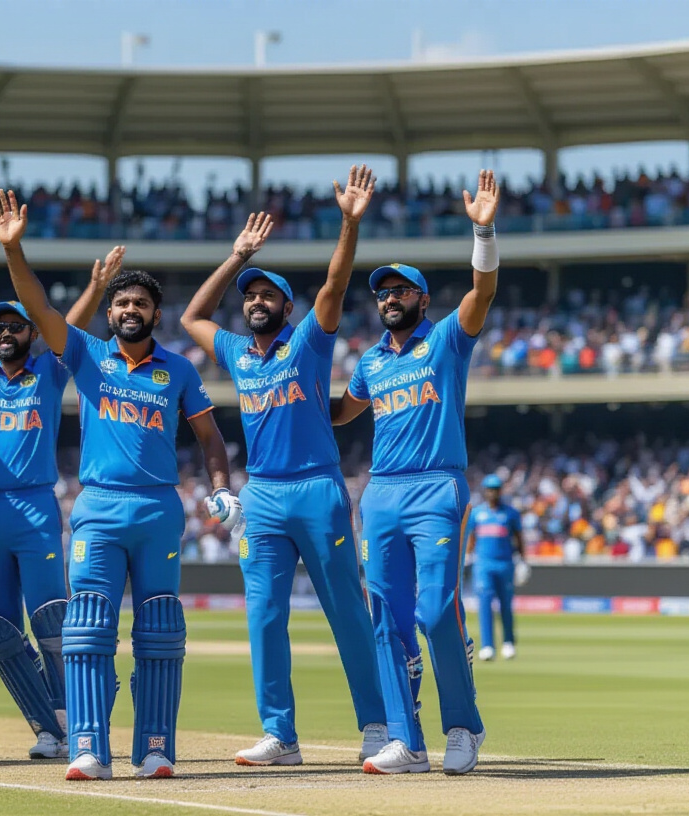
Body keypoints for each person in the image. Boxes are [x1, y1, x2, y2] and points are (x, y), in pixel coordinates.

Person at [0, 189, 238, 781]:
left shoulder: (177, 368)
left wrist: (221, 484)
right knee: (87, 625)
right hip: (98, 509)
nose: (130, 309)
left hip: (158, 511)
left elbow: (208, 437)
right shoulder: (86, 355)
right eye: (122, 301)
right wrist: (13, 249)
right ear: (110, 312)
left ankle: (155, 747)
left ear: (155, 313)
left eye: (141, 303)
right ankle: (88, 747)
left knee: (159, 629)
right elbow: (38, 307)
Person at [180, 165, 388, 768]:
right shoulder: (238, 353)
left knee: (346, 611)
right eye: (249, 296)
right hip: (263, 496)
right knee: (264, 616)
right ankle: (280, 735)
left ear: (287, 306)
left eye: (266, 294)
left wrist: (349, 224)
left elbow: (335, 284)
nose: (254, 302)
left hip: (316, 488)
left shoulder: (307, 342)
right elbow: (195, 317)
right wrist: (236, 255)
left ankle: (377, 724)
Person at [332, 170, 502, 776]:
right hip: (380, 494)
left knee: (435, 612)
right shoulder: (371, 362)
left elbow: (481, 293)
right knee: (385, 617)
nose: (391, 297)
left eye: (403, 290)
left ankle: (463, 727)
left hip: (436, 486)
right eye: (384, 292)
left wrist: (482, 230)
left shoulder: (447, 341)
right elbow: (336, 414)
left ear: (423, 301)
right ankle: (406, 740)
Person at [0, 223, 123, 759]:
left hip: (36, 507)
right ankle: (45, 726)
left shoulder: (47, 371)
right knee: (0, 634)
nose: (6, 333)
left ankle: (76, 715)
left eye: (16, 326)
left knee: (53, 625)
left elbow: (62, 322)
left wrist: (96, 287)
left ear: (30, 335)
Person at [466, 474, 526, 661]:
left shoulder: (510, 513)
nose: (492, 493)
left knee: (506, 604)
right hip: (483, 564)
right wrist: (468, 556)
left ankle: (508, 642)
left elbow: (519, 538)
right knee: (484, 604)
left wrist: (522, 560)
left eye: (496, 489)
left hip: (505, 564)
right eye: (489, 489)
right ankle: (487, 645)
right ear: (485, 491)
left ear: (500, 491)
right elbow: (472, 538)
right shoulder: (477, 513)